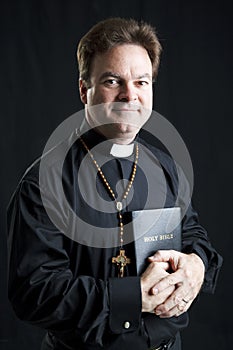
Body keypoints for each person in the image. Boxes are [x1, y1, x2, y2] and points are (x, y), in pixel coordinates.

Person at [7, 17, 222, 350]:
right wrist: (131, 298)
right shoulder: (44, 182)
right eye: (112, 80)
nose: (129, 95)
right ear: (84, 90)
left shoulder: (166, 168)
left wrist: (197, 265)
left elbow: (192, 235)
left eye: (141, 82)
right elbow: (34, 291)